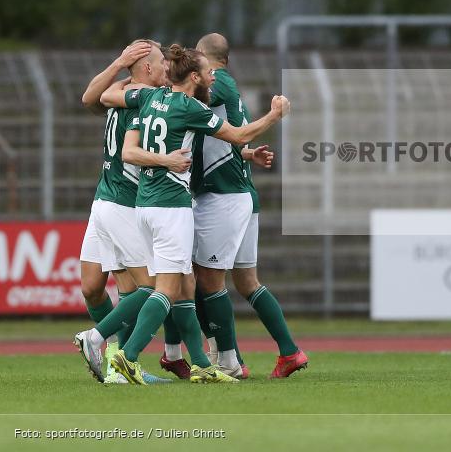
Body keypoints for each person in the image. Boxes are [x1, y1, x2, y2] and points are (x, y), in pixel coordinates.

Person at [91, 45, 290, 385]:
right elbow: (238, 133)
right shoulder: (190, 107)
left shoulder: (149, 98)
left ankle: (197, 362)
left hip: (144, 206)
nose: (215, 77)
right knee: (167, 289)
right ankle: (119, 351)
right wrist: (274, 115)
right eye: (209, 72)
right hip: (172, 207)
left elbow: (116, 121)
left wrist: (123, 71)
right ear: (195, 77)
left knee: (181, 284)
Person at [191, 32, 308, 379]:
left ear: (203, 58)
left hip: (221, 197)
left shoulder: (216, 85)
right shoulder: (228, 87)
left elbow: (183, 102)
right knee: (246, 282)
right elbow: (223, 138)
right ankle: (289, 351)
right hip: (239, 193)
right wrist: (244, 154)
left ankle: (228, 360)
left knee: (207, 282)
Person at [75, 40, 180, 384]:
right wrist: (120, 63)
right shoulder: (142, 100)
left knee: (105, 287)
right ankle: (97, 339)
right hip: (122, 202)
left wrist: (119, 69)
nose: (168, 69)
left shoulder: (121, 92)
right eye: (163, 63)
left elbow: (94, 97)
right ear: (148, 68)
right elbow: (90, 99)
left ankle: (117, 368)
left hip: (106, 201)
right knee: (152, 288)